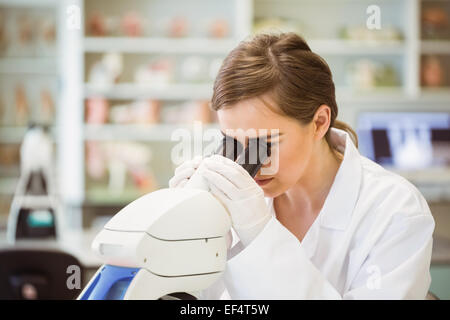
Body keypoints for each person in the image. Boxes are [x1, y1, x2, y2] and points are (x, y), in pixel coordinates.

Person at [168, 32, 435, 299]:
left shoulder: (395, 210)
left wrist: (261, 237)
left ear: (319, 122)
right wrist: (198, 238)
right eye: (233, 143)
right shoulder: (235, 198)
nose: (251, 164)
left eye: (264, 144)